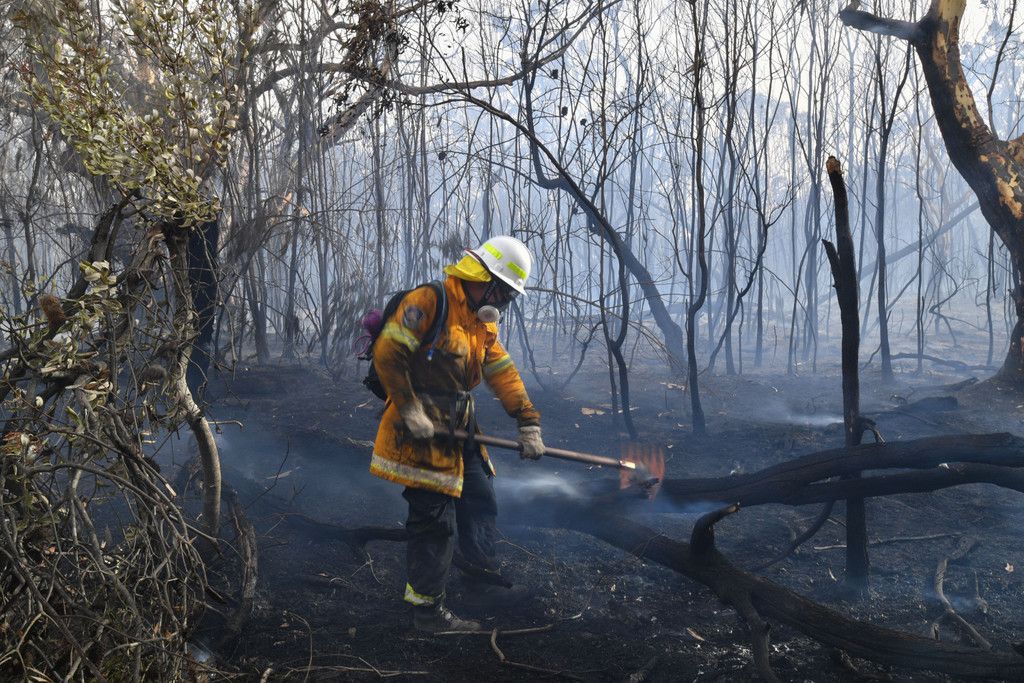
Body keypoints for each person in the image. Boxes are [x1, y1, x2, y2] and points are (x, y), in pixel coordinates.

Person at [368, 235, 545, 633]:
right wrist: (410, 408)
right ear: (484, 279)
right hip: (419, 432)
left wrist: (528, 421)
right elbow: (388, 354)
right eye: (504, 292)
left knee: (480, 499)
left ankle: (481, 584)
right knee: (435, 521)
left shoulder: (481, 322)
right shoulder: (429, 301)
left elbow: (501, 371)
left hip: (459, 429)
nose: (504, 302)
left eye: (509, 296)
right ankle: (428, 613)